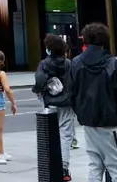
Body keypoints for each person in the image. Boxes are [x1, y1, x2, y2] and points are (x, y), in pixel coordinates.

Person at [69, 23, 117, 182]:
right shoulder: (112, 63)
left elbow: (72, 94)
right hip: (111, 124)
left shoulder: (76, 63)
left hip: (89, 124)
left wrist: (82, 114)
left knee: (94, 166)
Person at [33, 34, 75, 181]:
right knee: (65, 135)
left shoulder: (44, 64)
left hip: (50, 104)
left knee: (49, 136)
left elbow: (39, 83)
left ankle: (51, 165)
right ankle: (63, 167)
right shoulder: (69, 63)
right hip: (66, 105)